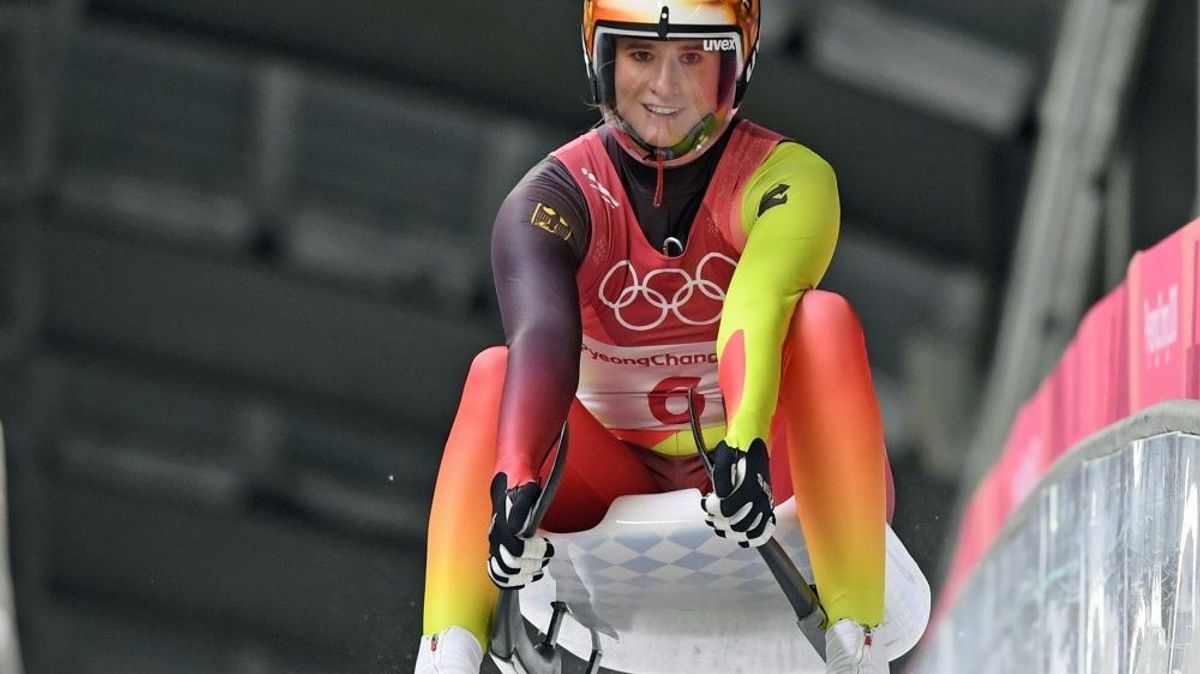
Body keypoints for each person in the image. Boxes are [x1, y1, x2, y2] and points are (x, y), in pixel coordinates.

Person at [415, 1, 895, 672]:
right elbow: (543, 336)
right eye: (641, 56)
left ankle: (857, 639)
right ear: (602, 59)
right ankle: (446, 655)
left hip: (765, 470)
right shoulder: (550, 197)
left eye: (693, 58)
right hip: (617, 485)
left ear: (737, 63)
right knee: (494, 373)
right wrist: (517, 479)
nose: (665, 88)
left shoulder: (792, 176)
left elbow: (758, 303)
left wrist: (747, 442)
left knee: (822, 320)